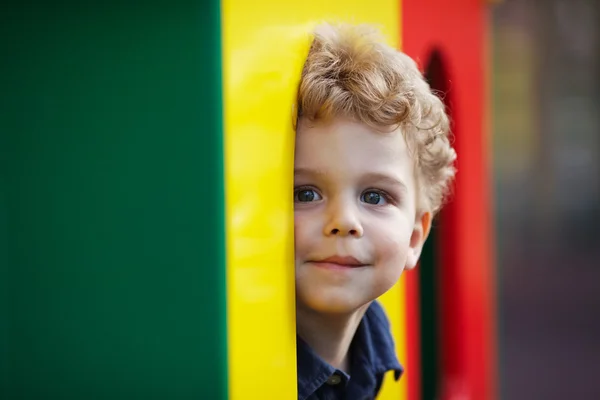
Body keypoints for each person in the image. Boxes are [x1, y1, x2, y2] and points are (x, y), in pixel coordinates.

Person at [293, 22, 456, 399]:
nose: (344, 222)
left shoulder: (376, 353)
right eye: (305, 193)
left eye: (374, 197)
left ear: (415, 236)